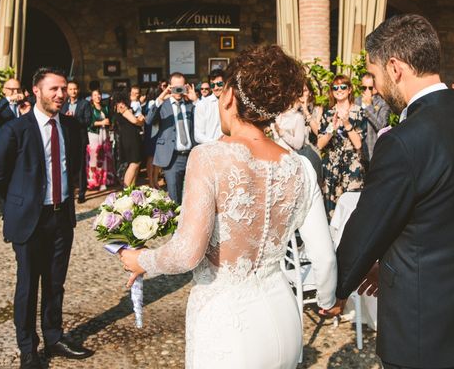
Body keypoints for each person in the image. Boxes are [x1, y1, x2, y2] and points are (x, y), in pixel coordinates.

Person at [118, 44, 337, 369]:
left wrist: (141, 259)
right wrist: (328, 300)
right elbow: (324, 256)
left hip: (228, 325)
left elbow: (187, 253)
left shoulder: (209, 157)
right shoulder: (300, 167)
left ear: (230, 95)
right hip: (284, 316)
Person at [322, 15, 454, 369]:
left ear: (395, 68)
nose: (374, 87)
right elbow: (447, 213)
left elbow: (370, 224)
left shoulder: (405, 140)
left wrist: (337, 288)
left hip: (418, 317)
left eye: (375, 75)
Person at [0, 68, 93, 369]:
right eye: (53, 89)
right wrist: (19, 202)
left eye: (63, 89)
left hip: (61, 216)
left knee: (55, 282)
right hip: (30, 220)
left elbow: (73, 167)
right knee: (28, 285)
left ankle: (54, 336)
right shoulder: (15, 130)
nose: (60, 94)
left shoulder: (71, 128)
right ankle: (28, 349)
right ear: (36, 90)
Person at [145, 72, 197, 203]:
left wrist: (196, 100)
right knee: (174, 198)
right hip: (172, 158)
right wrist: (161, 97)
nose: (178, 91)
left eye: (181, 87)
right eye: (175, 87)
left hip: (192, 156)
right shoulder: (163, 105)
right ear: (169, 87)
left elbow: (203, 121)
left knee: (193, 196)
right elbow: (148, 120)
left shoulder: (191, 105)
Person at [317, 75, 366, 215]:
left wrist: (346, 123)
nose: (339, 90)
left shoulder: (358, 112)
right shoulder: (328, 114)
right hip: (332, 167)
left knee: (352, 210)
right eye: (335, 88)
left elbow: (358, 144)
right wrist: (332, 128)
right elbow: (320, 144)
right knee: (331, 211)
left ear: (349, 89)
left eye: (343, 86)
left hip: (352, 167)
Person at [61, 81, 91, 203]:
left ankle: (82, 193)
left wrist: (74, 119)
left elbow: (88, 121)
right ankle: (69, 191)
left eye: (75, 89)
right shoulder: (63, 104)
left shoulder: (85, 103)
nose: (73, 91)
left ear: (78, 90)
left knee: (81, 166)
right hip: (67, 139)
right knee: (67, 165)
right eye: (70, 89)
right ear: (67, 90)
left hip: (80, 139)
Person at [0, 78, 28, 160]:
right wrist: (9, 99)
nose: (16, 92)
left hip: (19, 152)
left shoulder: (26, 105)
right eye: (12, 89)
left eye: (18, 89)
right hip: (0, 151)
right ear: (4, 90)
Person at [354, 72, 391, 165]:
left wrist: (368, 106)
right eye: (364, 87)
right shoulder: (355, 101)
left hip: (373, 153)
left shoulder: (383, 103)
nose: (367, 91)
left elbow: (381, 125)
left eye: (370, 88)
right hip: (356, 153)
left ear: (375, 87)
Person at [112, 89, 145, 187]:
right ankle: (126, 188)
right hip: (130, 138)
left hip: (127, 137)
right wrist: (141, 120)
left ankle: (132, 188)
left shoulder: (117, 107)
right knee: (134, 163)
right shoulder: (122, 107)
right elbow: (134, 121)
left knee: (135, 163)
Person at [87, 89, 114, 191]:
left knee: (105, 158)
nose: (97, 97)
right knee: (94, 158)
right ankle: (94, 182)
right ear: (92, 97)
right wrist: (102, 122)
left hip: (104, 133)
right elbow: (89, 122)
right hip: (94, 134)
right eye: (95, 95)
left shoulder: (105, 107)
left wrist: (109, 123)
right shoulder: (90, 108)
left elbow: (110, 119)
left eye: (99, 95)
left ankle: (105, 180)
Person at [194, 69, 224, 144]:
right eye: (212, 85)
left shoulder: (233, 103)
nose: (216, 88)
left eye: (219, 84)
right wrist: (215, 143)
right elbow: (198, 135)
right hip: (210, 149)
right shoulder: (202, 104)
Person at [141, 87, 161, 188]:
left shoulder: (146, 104)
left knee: (152, 157)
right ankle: (154, 180)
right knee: (154, 157)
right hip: (153, 132)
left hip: (151, 132)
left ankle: (152, 180)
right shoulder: (154, 103)